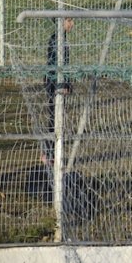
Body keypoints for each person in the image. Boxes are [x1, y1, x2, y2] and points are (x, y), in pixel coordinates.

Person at [43, 17, 74, 165]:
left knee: (56, 117)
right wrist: (62, 83)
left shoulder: (61, 37)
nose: (72, 24)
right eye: (69, 20)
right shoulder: (57, 39)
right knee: (54, 117)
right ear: (61, 21)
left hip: (56, 81)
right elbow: (57, 64)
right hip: (55, 82)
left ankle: (51, 152)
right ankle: (48, 153)